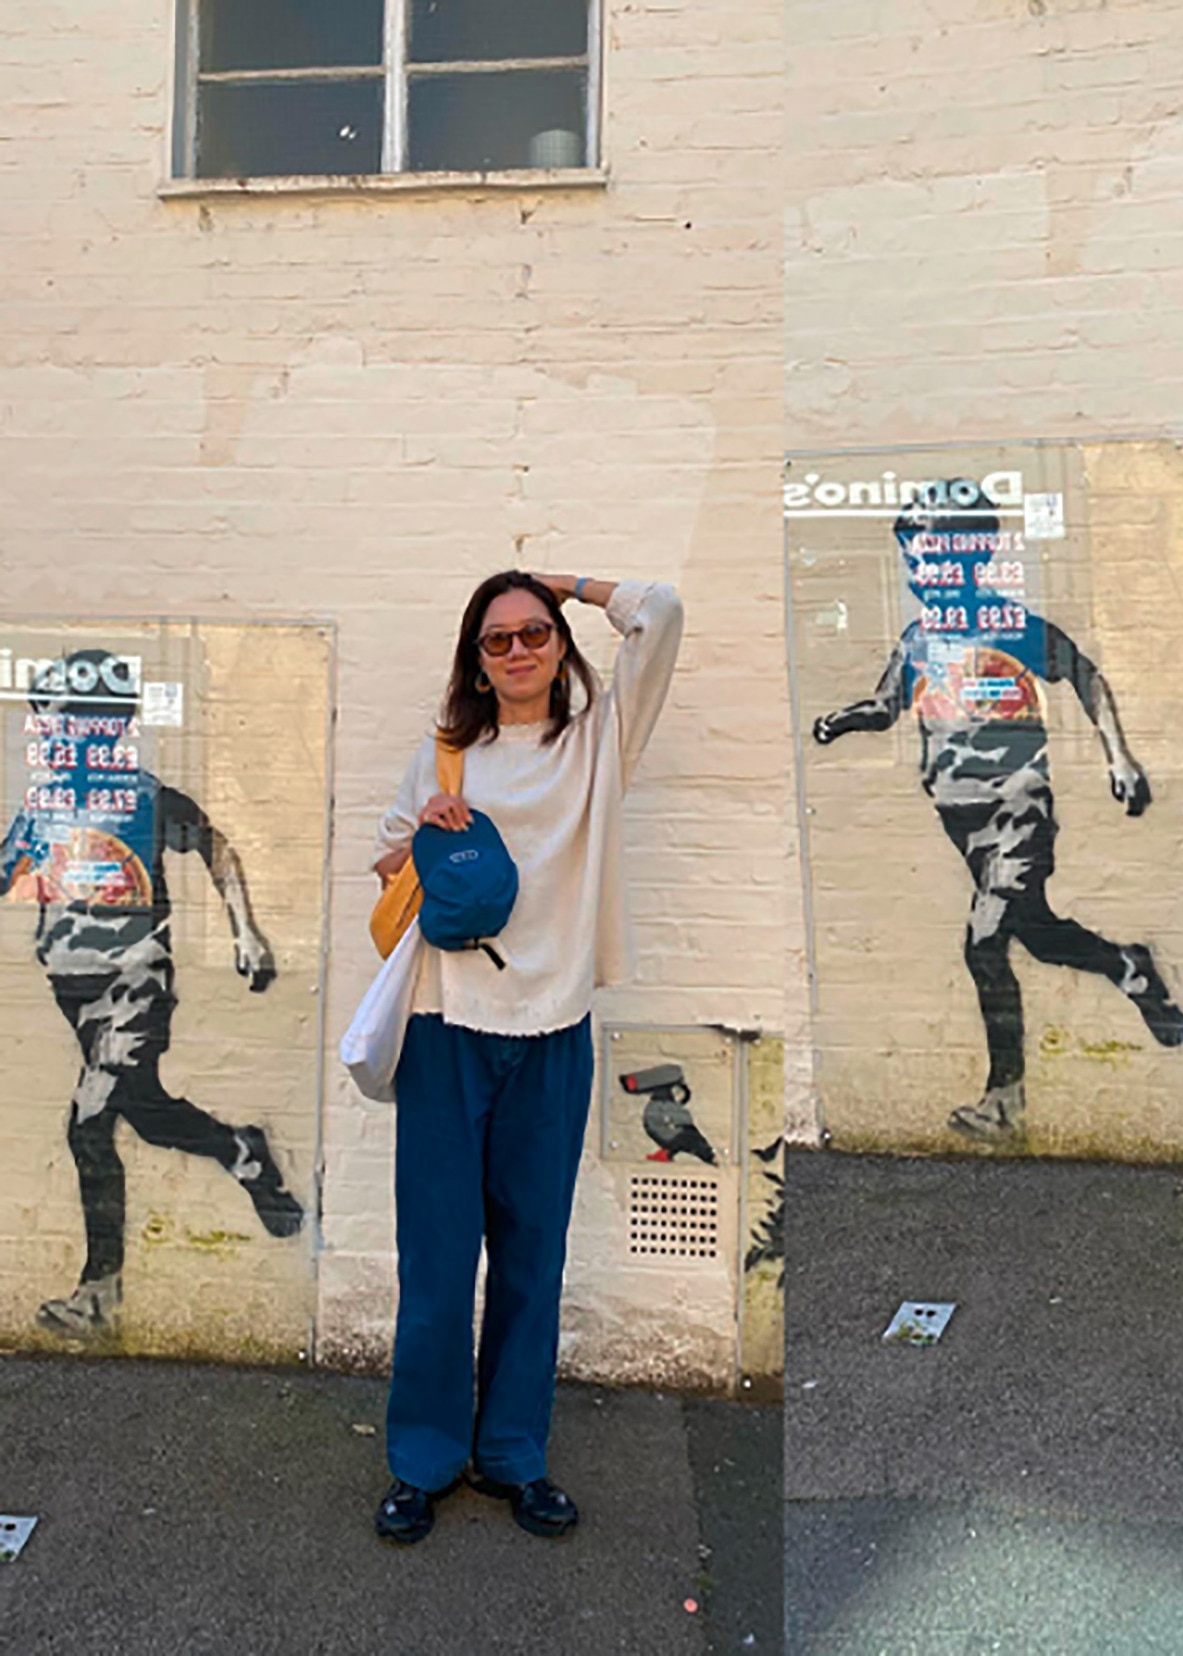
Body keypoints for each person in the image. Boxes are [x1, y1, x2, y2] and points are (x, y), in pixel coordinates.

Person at [370, 570, 682, 1543]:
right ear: (474, 658)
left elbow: (660, 612)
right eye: (496, 639)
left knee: (531, 1257)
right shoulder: (445, 755)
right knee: (434, 1260)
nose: (516, 651)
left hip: (550, 1030)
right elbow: (385, 860)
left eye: (533, 632)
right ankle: (423, 1460)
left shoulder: (597, 741)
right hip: (444, 1023)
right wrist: (424, 833)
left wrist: (572, 582)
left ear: (559, 642)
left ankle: (512, 1457)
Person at [812, 484, 1183, 1140]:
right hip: (960, 821)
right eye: (912, 562)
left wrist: (1120, 758)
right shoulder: (918, 640)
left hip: (1017, 810)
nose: (919, 574)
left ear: (971, 556)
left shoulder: (1008, 625)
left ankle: (1004, 1096)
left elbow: (1085, 674)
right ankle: (1127, 965)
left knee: (984, 943)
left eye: (929, 558)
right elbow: (885, 706)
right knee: (1037, 934)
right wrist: (838, 722)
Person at [0, 650, 300, 1339]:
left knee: (89, 1126)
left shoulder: (141, 794)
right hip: (70, 988)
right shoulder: (44, 804)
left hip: (135, 983)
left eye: (54, 722)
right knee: (148, 1113)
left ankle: (99, 1291)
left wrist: (246, 933)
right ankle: (241, 1149)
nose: (42, 734)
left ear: (98, 727)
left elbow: (218, 848)